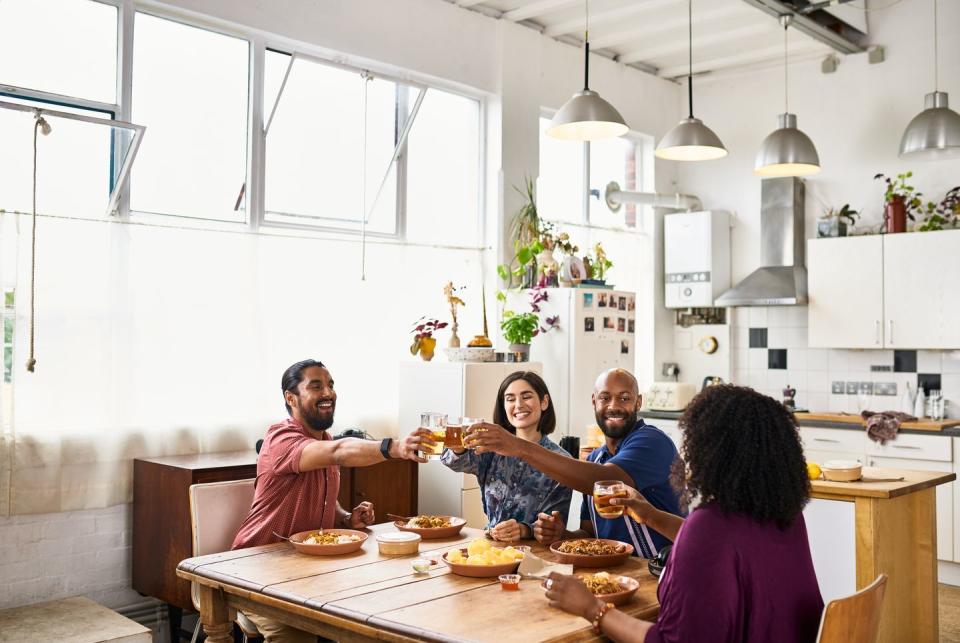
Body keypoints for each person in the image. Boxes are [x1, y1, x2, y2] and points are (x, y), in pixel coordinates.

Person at [544, 385, 824, 643]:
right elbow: (723, 546)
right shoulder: (784, 515)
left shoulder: (710, 524)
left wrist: (592, 608)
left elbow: (669, 641)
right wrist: (650, 515)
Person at [232, 359, 433, 643]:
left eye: (330, 385)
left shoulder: (323, 439)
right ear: (291, 398)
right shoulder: (280, 438)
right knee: (295, 636)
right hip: (260, 567)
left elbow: (326, 499)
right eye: (316, 386)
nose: (328, 393)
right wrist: (396, 447)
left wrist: (346, 518)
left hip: (311, 569)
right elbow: (339, 451)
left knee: (377, 619)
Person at [465, 368, 681, 557]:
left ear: (638, 402)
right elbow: (589, 534)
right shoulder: (595, 458)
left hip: (665, 565)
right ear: (594, 402)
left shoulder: (652, 441)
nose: (613, 406)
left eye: (624, 398)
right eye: (605, 398)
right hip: (620, 570)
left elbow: (607, 480)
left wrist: (520, 447)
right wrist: (561, 534)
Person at [442, 371, 571, 541]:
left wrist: (523, 530)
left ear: (544, 402)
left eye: (526, 396)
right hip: (491, 547)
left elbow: (553, 526)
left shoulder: (561, 460)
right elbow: (458, 463)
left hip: (535, 553)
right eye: (510, 399)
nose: (518, 405)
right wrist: (458, 448)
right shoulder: (492, 448)